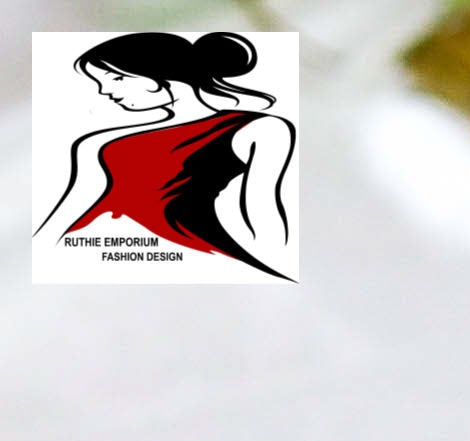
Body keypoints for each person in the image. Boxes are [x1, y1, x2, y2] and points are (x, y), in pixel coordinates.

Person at [36, 32, 295, 280]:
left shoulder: (260, 129)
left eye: (115, 78)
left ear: (156, 74)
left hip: (192, 255)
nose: (104, 91)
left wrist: (277, 275)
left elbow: (263, 209)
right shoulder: (97, 143)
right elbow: (67, 213)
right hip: (88, 260)